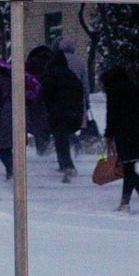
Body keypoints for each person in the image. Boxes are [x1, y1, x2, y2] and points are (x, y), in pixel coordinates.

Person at [101, 66, 139, 214]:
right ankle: (133, 201)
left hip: (124, 132)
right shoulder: (136, 89)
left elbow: (112, 114)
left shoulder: (114, 91)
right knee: (129, 167)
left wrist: (109, 133)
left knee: (128, 168)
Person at [40, 47, 87, 182]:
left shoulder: (50, 75)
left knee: (60, 140)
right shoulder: (71, 75)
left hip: (58, 113)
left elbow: (45, 94)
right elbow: (80, 92)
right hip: (73, 112)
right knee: (63, 137)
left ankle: (68, 167)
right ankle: (64, 165)